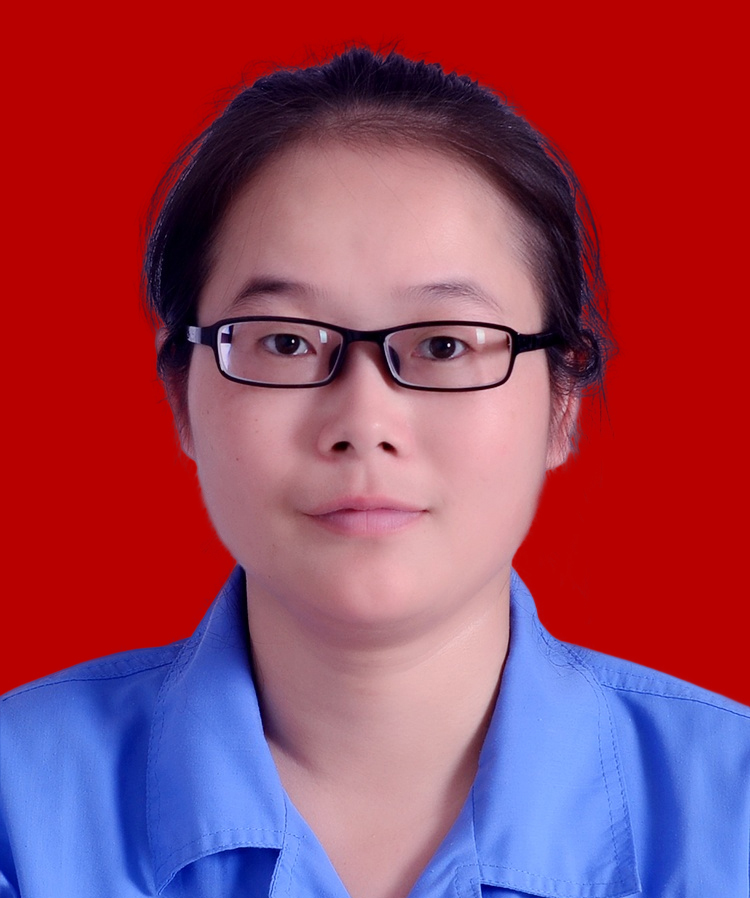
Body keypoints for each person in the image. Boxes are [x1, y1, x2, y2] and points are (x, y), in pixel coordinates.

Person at [1, 47, 748, 898]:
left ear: (562, 402)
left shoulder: (732, 817)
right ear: (182, 395)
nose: (363, 423)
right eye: (285, 342)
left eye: (444, 345)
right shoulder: (19, 811)